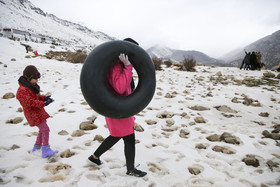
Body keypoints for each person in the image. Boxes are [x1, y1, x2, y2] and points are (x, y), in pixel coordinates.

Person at [88, 38, 147, 177]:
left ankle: (94, 157)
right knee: (129, 138)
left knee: (116, 135)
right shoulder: (116, 66)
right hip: (118, 108)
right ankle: (131, 170)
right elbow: (120, 88)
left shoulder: (119, 65)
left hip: (121, 108)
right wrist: (128, 67)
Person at [16, 65, 58, 158]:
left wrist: (44, 98)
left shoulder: (30, 86)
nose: (37, 81)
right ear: (29, 78)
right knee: (45, 129)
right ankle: (46, 149)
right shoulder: (22, 91)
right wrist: (43, 104)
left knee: (42, 130)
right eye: (35, 79)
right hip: (32, 114)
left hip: (38, 112)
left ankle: (37, 146)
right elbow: (30, 102)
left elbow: (37, 97)